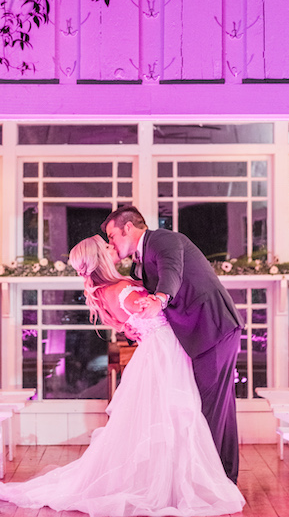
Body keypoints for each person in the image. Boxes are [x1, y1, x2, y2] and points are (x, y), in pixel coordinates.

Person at [0, 235, 244, 517]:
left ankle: (178, 478)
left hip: (157, 353)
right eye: (107, 244)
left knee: (167, 418)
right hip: (164, 353)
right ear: (101, 257)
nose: (112, 247)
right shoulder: (122, 289)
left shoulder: (110, 289)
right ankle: (179, 482)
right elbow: (151, 315)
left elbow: (131, 322)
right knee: (177, 416)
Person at [102, 206, 242, 484]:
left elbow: (172, 272)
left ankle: (211, 481)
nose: (111, 243)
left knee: (211, 407)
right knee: (215, 406)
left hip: (213, 327)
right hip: (199, 334)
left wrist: (161, 298)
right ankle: (222, 476)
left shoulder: (162, 240)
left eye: (112, 236)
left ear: (127, 228)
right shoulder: (138, 262)